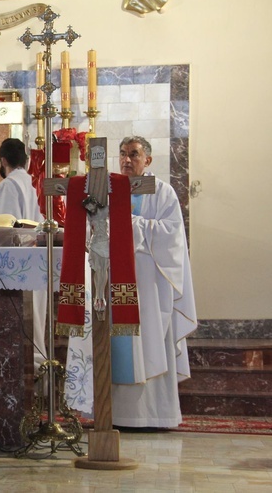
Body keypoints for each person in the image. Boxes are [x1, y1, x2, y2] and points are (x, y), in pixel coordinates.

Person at [111, 135, 197, 429]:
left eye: (133, 154)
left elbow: (172, 234)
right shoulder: (111, 190)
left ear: (147, 160)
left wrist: (131, 225)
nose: (126, 160)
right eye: (122, 154)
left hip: (150, 285)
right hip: (117, 283)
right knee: (120, 342)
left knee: (150, 342)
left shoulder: (162, 191)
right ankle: (117, 415)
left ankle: (155, 415)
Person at [0, 138, 47, 368]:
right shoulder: (32, 183)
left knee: (19, 325)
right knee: (35, 324)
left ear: (3, 160)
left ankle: (23, 370)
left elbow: (5, 227)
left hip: (15, 264)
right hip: (34, 259)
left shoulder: (9, 184)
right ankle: (37, 369)